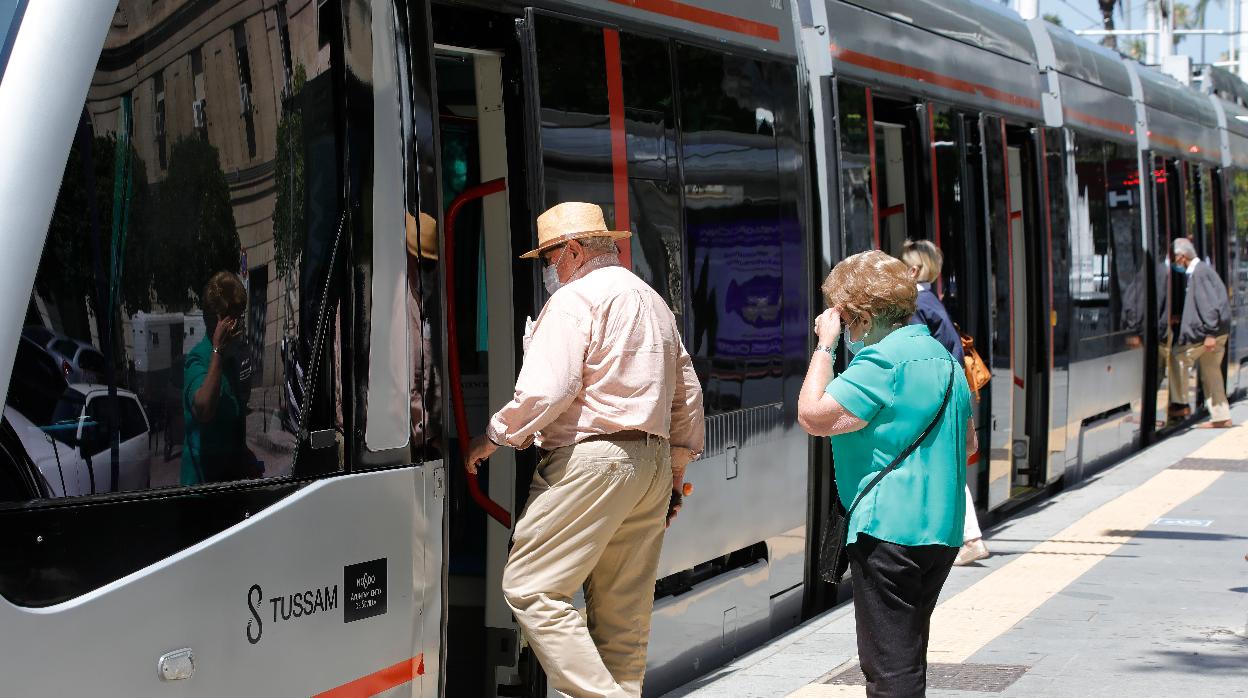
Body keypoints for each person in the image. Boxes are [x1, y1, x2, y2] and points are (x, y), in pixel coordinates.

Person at [465, 201, 705, 698]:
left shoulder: (574, 302)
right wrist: (676, 472)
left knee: (531, 586)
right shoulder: (652, 301)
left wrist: (494, 437)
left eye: (549, 259)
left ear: (572, 250)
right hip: (653, 462)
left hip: (592, 460)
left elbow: (548, 390)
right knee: (623, 613)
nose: (549, 272)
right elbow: (687, 393)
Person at [797, 250, 974, 697]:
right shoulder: (943, 358)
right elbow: (969, 443)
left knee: (888, 668)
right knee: (908, 652)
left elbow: (814, 416)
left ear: (858, 316)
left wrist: (824, 347)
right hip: (942, 532)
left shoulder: (881, 362)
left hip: (889, 531)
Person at [901, 240, 987, 567]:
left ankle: (970, 537)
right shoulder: (931, 301)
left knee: (942, 468)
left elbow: (919, 355)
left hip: (936, 397)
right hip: (948, 394)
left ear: (913, 270)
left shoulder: (917, 306)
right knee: (943, 466)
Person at [182, 271, 260, 485]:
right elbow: (204, 409)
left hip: (228, 484)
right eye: (234, 318)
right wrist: (217, 350)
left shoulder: (230, 358)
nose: (239, 325)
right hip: (202, 493)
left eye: (240, 317)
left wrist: (243, 453)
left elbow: (233, 422)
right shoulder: (199, 358)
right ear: (218, 320)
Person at [1169, 237, 1232, 428]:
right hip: (1216, 332)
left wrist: (1210, 334)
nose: (1174, 262)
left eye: (1175, 258)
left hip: (1210, 335)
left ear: (1182, 257)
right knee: (1211, 372)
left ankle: (1180, 405)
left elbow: (1210, 305)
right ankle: (1221, 417)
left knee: (1177, 358)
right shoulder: (1202, 270)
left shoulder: (1199, 273)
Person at [406, 210, 443, 459]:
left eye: (430, 265)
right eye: (422, 263)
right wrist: (429, 436)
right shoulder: (401, 308)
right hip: (416, 443)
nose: (426, 272)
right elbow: (409, 387)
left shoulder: (422, 306)